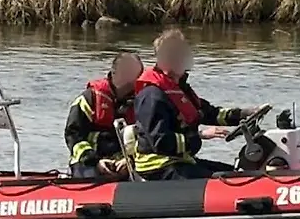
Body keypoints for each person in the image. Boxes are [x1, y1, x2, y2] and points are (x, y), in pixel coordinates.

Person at [132, 29, 271, 180]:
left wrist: (244, 114)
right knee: (228, 180)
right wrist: (200, 136)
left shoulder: (179, 88)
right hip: (158, 167)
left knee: (236, 173)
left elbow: (211, 113)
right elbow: (161, 142)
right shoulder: (152, 95)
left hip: (180, 161)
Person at [64, 51, 145, 179]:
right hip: (88, 162)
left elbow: (146, 138)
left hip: (124, 163)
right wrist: (95, 162)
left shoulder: (142, 101)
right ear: (114, 73)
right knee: (91, 178)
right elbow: (73, 135)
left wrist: (130, 160)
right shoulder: (90, 98)